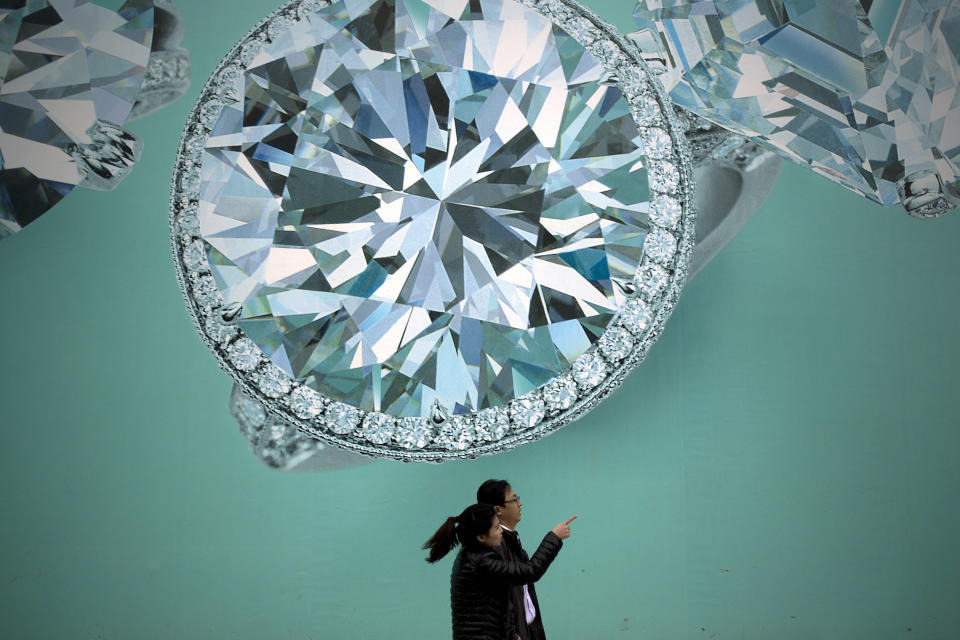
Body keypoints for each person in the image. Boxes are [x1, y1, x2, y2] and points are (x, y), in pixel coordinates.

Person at [424, 503, 577, 640]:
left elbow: (499, 603)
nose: (501, 532)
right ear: (481, 537)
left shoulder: (471, 557)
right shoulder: (481, 563)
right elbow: (531, 571)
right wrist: (554, 537)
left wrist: (511, 635)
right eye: (497, 528)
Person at [477, 480, 546, 640]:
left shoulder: (513, 544)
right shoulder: (495, 547)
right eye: (514, 499)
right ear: (498, 509)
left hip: (529, 630)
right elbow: (496, 602)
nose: (520, 503)